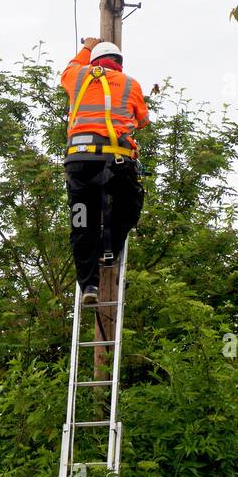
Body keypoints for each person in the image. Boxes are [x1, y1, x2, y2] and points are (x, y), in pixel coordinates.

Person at [60, 36, 149, 301]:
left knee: (81, 220)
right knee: (129, 206)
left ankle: (88, 285)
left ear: (93, 59)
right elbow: (143, 120)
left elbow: (68, 69)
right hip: (116, 162)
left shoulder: (76, 76)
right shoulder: (130, 84)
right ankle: (109, 250)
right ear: (119, 63)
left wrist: (86, 46)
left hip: (78, 162)